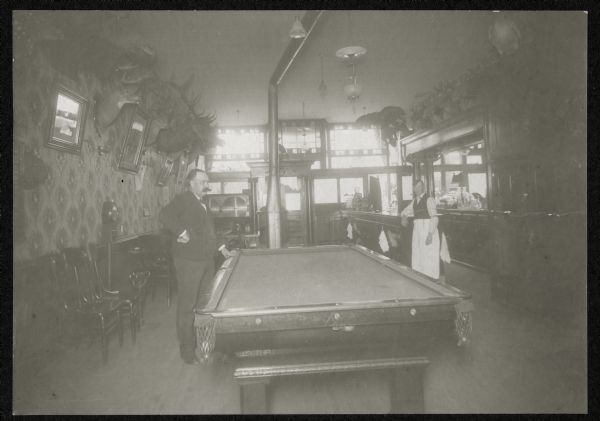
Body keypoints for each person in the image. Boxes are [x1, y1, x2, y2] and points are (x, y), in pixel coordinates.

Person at [159, 169, 236, 365]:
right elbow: (165, 215)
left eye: (207, 182)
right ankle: (187, 350)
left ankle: (206, 346)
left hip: (206, 261)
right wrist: (181, 231)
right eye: (202, 182)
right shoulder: (184, 198)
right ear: (191, 183)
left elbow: (209, 232)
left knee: (205, 306)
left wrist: (222, 248)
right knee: (187, 306)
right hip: (189, 262)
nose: (206, 185)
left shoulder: (204, 204)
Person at [400, 179, 450, 282]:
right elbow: (405, 211)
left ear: (423, 188)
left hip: (428, 229)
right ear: (413, 188)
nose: (417, 189)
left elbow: (434, 217)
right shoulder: (415, 201)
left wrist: (430, 234)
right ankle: (421, 277)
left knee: (429, 254)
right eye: (415, 187)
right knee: (418, 252)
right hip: (418, 229)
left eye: (419, 187)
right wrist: (403, 217)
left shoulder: (429, 199)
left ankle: (432, 279)